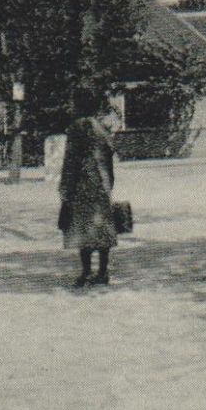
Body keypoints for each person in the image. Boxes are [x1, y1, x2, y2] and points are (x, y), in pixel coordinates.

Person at [59, 92, 119, 288]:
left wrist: (65, 187)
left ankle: (86, 271)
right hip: (101, 185)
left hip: (81, 185)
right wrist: (109, 183)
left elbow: (71, 160)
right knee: (101, 228)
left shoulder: (77, 128)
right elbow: (109, 159)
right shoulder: (102, 128)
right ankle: (102, 271)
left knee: (83, 228)